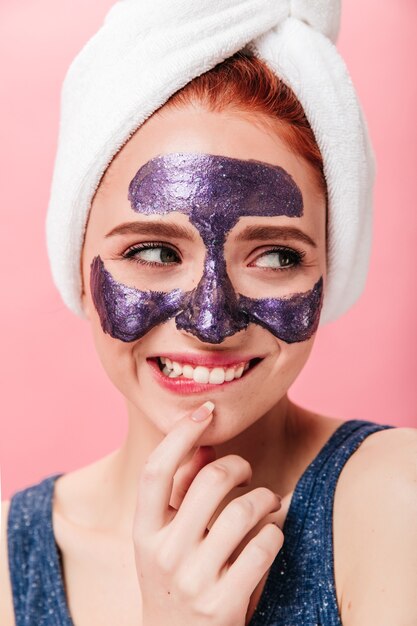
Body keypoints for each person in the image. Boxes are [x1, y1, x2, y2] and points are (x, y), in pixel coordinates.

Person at [1, 3, 416, 626]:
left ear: (328, 271)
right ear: (77, 263)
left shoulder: (399, 501)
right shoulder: (13, 567)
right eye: (154, 251)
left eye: (276, 255)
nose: (211, 321)